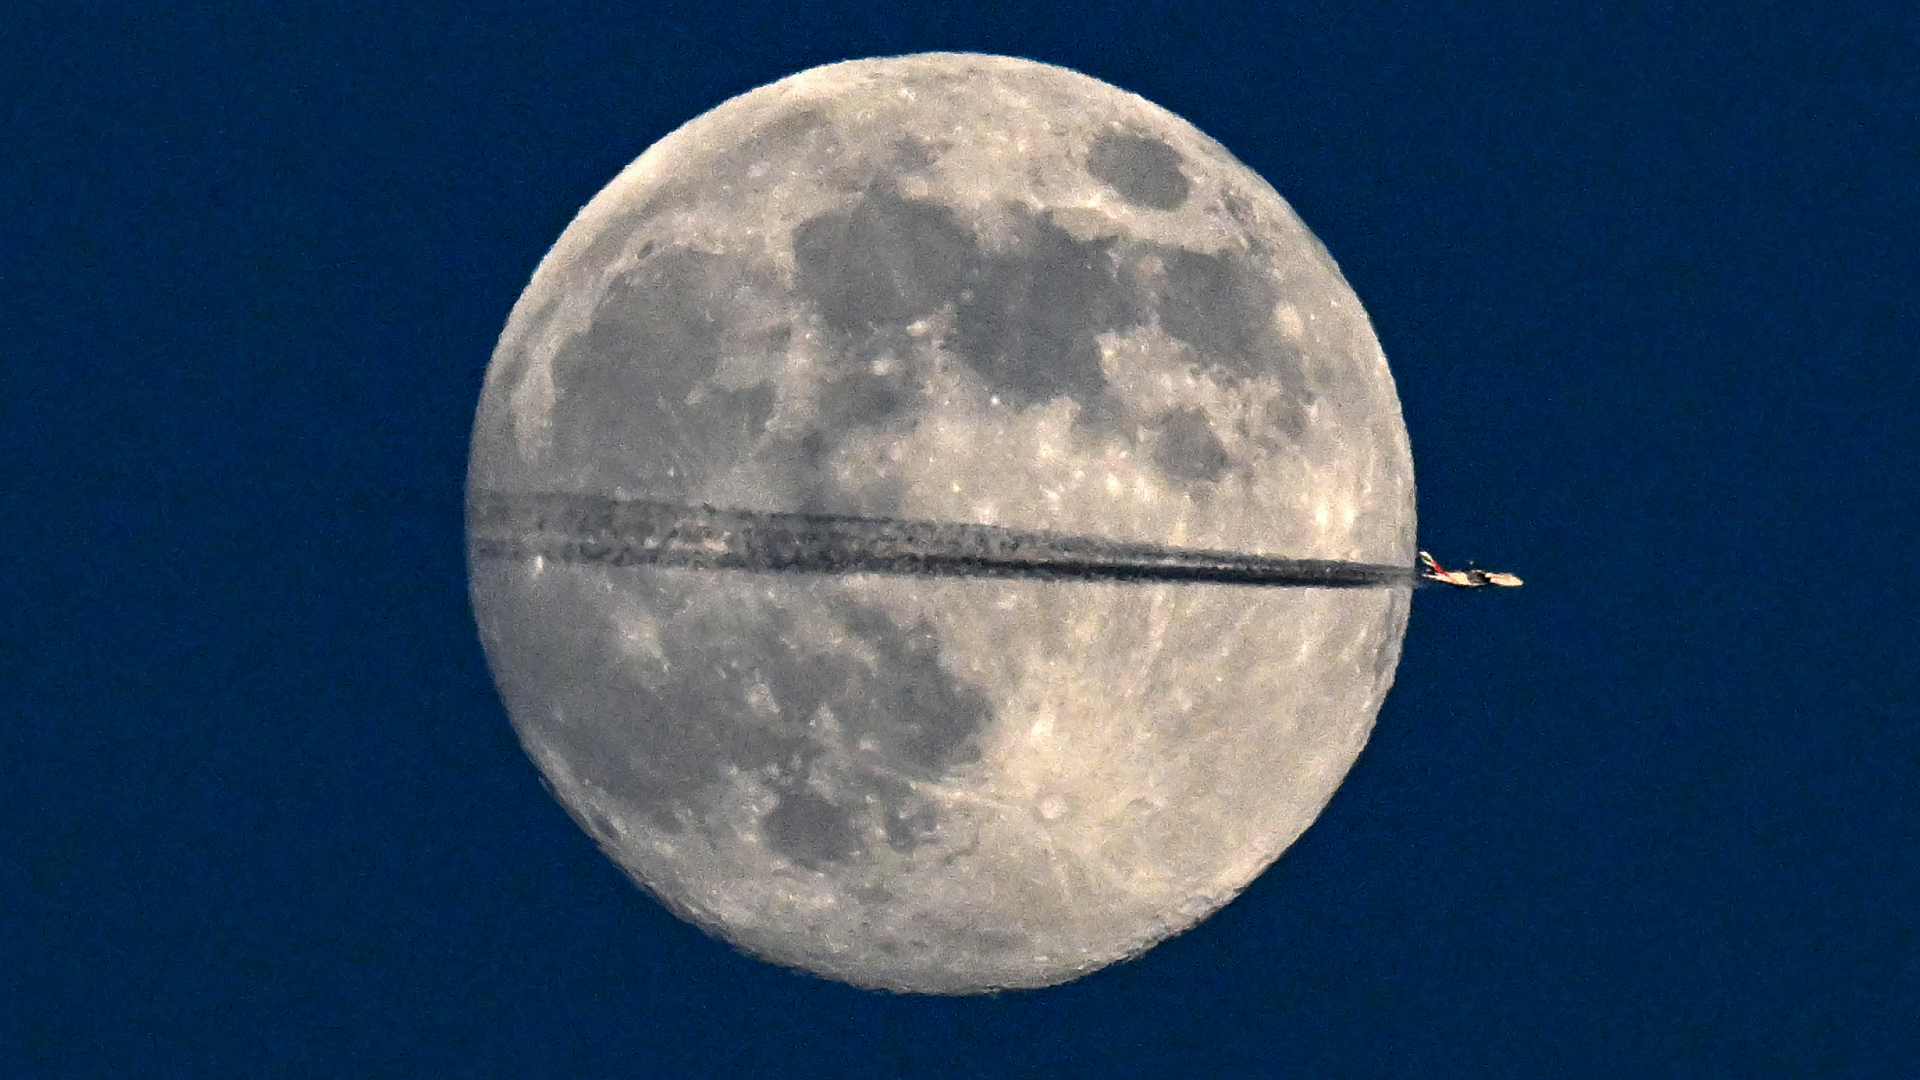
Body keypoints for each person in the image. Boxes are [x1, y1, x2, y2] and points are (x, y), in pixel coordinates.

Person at [1418, 550, 1522, 588]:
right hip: (1466, 578)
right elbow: (1489, 575)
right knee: (1442, 575)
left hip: (1467, 579)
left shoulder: (1487, 579)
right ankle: (1429, 567)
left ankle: (1428, 571)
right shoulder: (1488, 578)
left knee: (1441, 576)